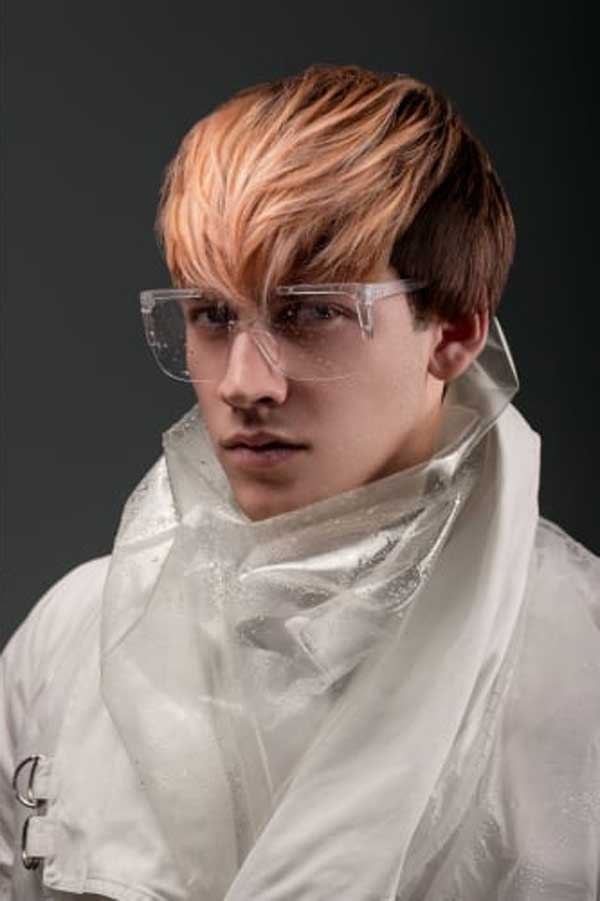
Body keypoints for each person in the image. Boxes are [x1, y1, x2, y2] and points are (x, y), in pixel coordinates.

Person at [1, 64, 598, 901]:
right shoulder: (73, 640)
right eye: (212, 315)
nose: (244, 382)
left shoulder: (581, 666)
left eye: (312, 312)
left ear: (454, 332)